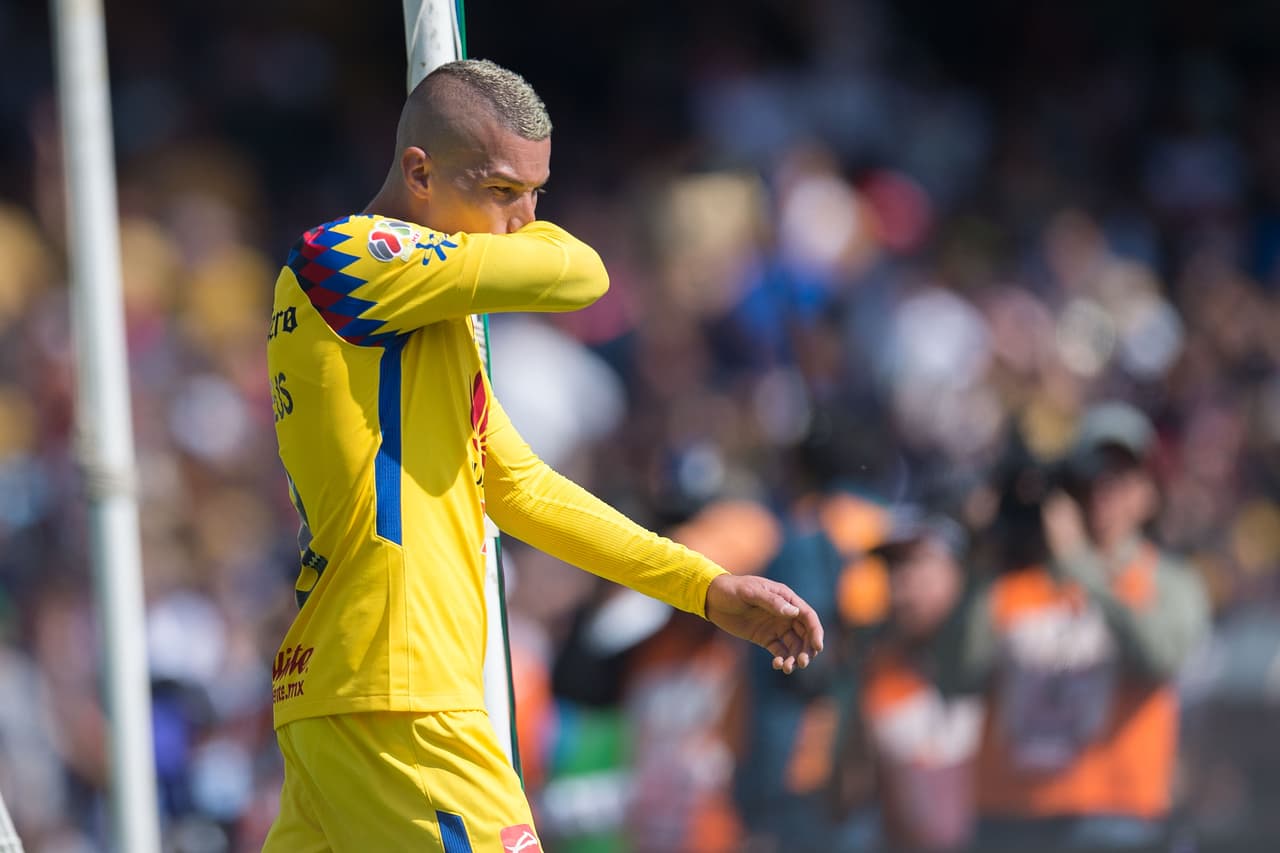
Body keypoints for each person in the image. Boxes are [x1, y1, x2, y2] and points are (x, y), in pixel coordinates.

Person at [260, 59, 824, 852]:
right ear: (419, 172)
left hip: (345, 694)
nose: (523, 219)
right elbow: (580, 273)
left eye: (538, 195)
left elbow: (523, 490)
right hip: (402, 696)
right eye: (499, 190)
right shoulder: (342, 257)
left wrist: (700, 585)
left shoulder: (433, 322)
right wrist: (550, 241)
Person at [948, 402, 1209, 850]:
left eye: (1121, 476)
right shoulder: (1017, 580)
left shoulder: (1166, 579)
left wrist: (1077, 564)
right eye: (1092, 477)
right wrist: (982, 556)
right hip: (1009, 814)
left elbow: (1161, 655)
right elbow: (954, 676)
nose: (1104, 491)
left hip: (1114, 813)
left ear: (1150, 492)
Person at [829, 509, 983, 852]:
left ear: (956, 570)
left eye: (915, 564)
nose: (900, 581)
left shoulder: (992, 642)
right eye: (891, 568)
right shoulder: (875, 662)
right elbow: (849, 788)